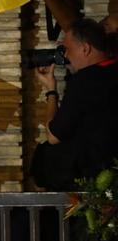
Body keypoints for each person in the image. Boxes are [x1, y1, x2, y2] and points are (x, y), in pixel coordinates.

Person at [32, 18, 118, 190]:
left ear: (85, 48)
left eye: (67, 49)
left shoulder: (84, 81)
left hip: (91, 179)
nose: (65, 56)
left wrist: (51, 90)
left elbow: (53, 136)